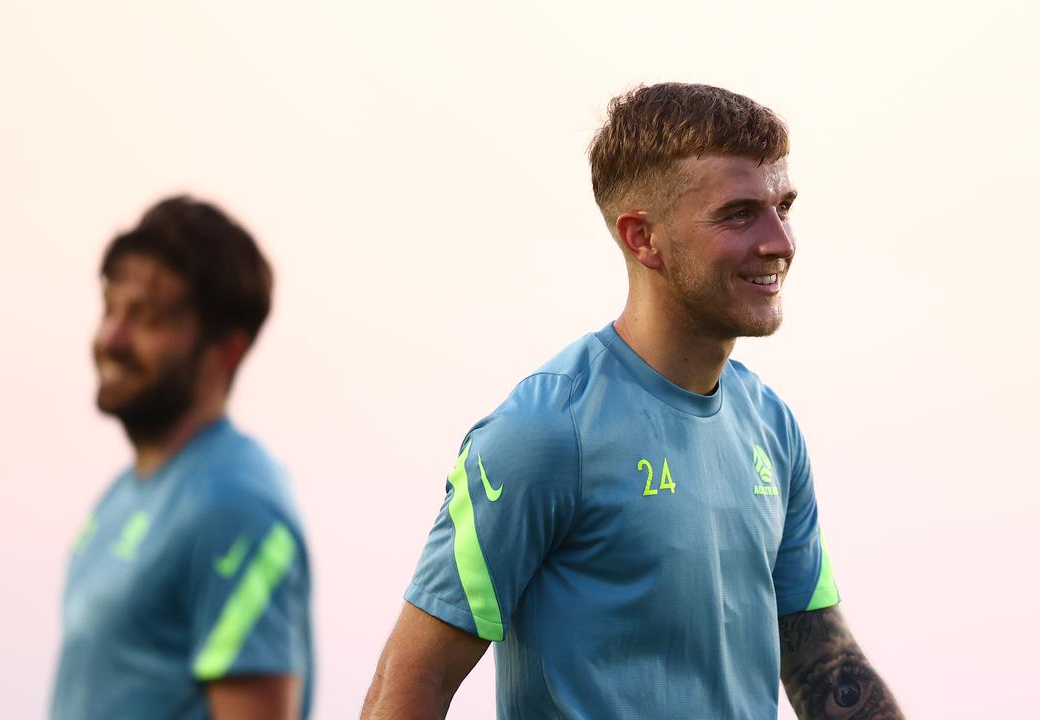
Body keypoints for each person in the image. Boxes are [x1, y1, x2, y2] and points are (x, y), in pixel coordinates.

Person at [361, 83, 904, 719]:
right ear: (643, 239)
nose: (779, 241)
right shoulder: (546, 432)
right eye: (739, 214)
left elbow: (822, 669)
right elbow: (405, 690)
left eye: (783, 206)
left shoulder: (771, 426)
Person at [51, 196, 315, 720]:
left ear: (226, 351)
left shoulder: (234, 508)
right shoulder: (124, 493)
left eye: (146, 317)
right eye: (111, 309)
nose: (111, 338)